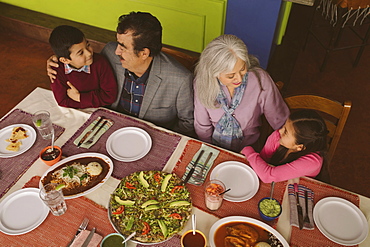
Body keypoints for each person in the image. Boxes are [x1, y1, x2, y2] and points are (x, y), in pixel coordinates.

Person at [47, 12, 194, 136]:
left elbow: (188, 124)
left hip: (150, 138)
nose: (116, 51)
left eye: (123, 47)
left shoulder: (180, 80)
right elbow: (80, 64)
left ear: (144, 53)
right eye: (118, 43)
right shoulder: (110, 53)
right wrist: (57, 64)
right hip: (108, 129)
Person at [194, 34, 289, 152]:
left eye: (242, 69)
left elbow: (279, 119)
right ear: (214, 73)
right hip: (214, 146)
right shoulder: (202, 83)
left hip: (250, 148)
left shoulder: (260, 80)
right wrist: (209, 150)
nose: (239, 79)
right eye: (231, 76)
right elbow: (202, 127)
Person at [241, 109, 329, 183]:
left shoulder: (312, 162)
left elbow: (267, 176)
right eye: (284, 126)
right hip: (275, 182)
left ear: (299, 147)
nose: (280, 131)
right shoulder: (277, 137)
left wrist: (248, 150)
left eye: (286, 132)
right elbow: (262, 162)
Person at [48, 25, 117, 108]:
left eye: (88, 45)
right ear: (65, 60)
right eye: (81, 53)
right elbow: (62, 101)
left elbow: (109, 96)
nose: (89, 53)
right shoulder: (56, 70)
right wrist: (91, 100)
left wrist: (80, 98)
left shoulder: (100, 63)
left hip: (99, 110)